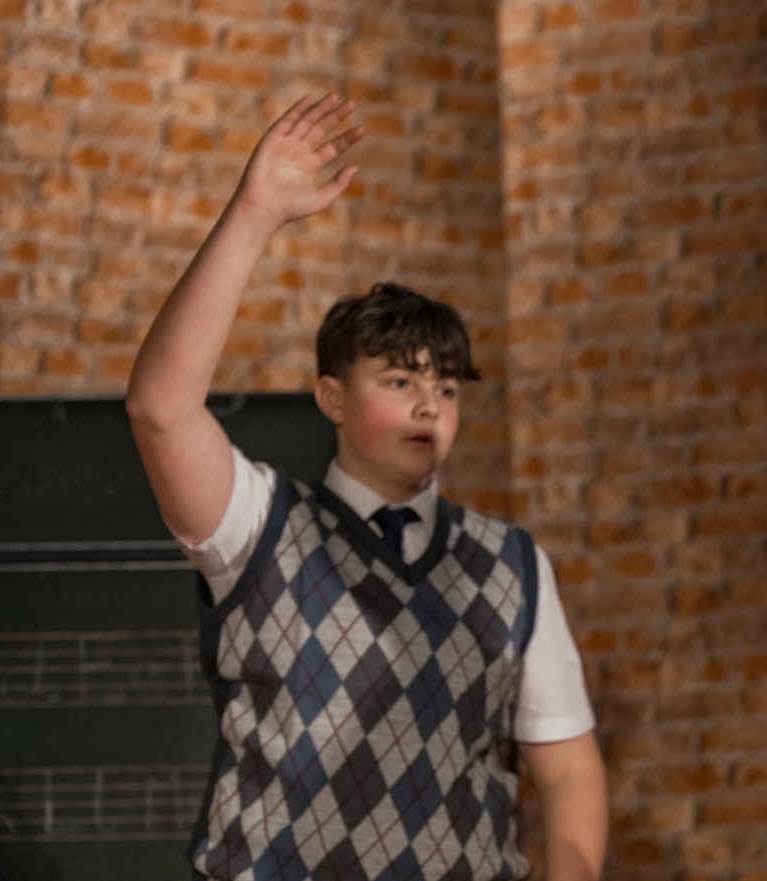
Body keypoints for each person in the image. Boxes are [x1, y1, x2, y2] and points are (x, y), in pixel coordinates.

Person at [125, 94, 607, 881]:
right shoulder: (260, 524)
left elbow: (567, 765)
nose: (428, 405)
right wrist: (255, 212)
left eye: (446, 387)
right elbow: (160, 408)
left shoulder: (511, 564)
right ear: (332, 398)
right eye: (399, 381)